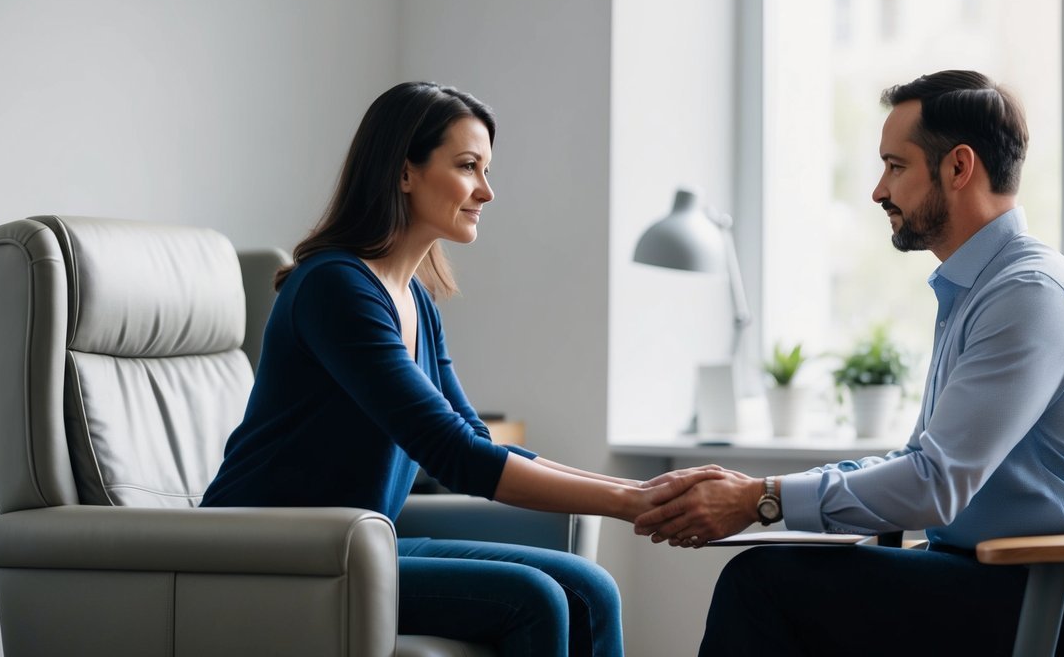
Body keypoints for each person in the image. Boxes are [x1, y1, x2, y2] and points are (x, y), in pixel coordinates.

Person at [634, 70, 1064, 656]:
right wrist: (759, 492)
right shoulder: (979, 288)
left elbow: (935, 485)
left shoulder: (1028, 292)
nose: (879, 191)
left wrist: (761, 499)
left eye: (895, 167)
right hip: (1004, 581)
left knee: (765, 586)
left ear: (958, 168)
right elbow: (919, 463)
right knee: (786, 582)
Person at [202, 81, 712, 657]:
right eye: (468, 166)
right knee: (534, 598)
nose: (487, 192)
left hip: (356, 547)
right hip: (272, 554)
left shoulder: (416, 299)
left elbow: (472, 438)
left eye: (486, 169)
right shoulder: (334, 287)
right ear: (403, 173)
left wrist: (639, 490)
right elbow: (453, 455)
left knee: (590, 589)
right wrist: (629, 504)